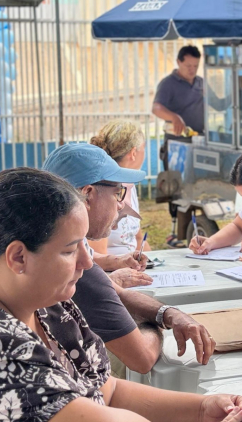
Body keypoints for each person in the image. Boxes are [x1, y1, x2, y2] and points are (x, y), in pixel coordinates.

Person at [0, 168, 242, 422]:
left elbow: (105, 392)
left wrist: (202, 409)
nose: (88, 260)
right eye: (70, 249)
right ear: (17, 257)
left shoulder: (45, 304)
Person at [43, 143, 217, 374]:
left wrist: (169, 314)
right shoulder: (69, 259)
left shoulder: (62, 239)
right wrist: (152, 325)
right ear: (87, 194)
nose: (122, 203)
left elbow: (115, 292)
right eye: (117, 192)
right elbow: (142, 358)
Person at [152, 45, 227, 247]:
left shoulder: (201, 83)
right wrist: (174, 117)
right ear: (178, 62)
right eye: (188, 66)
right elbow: (156, 107)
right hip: (176, 144)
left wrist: (238, 91)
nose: (192, 70)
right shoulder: (168, 84)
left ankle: (195, 229)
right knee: (176, 189)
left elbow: (218, 104)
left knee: (198, 186)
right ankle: (174, 232)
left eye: (195, 65)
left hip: (198, 142)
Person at [89, 120, 151, 269]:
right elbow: (96, 261)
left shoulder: (129, 183)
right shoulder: (103, 189)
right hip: (111, 276)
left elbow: (138, 238)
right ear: (134, 153)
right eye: (144, 149)